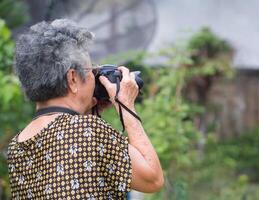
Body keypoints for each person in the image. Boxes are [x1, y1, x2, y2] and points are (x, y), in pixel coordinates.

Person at [7, 19, 164, 199]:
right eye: (91, 71)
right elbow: (153, 179)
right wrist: (125, 105)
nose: (95, 78)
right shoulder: (87, 130)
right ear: (73, 78)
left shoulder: (16, 145)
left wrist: (85, 113)